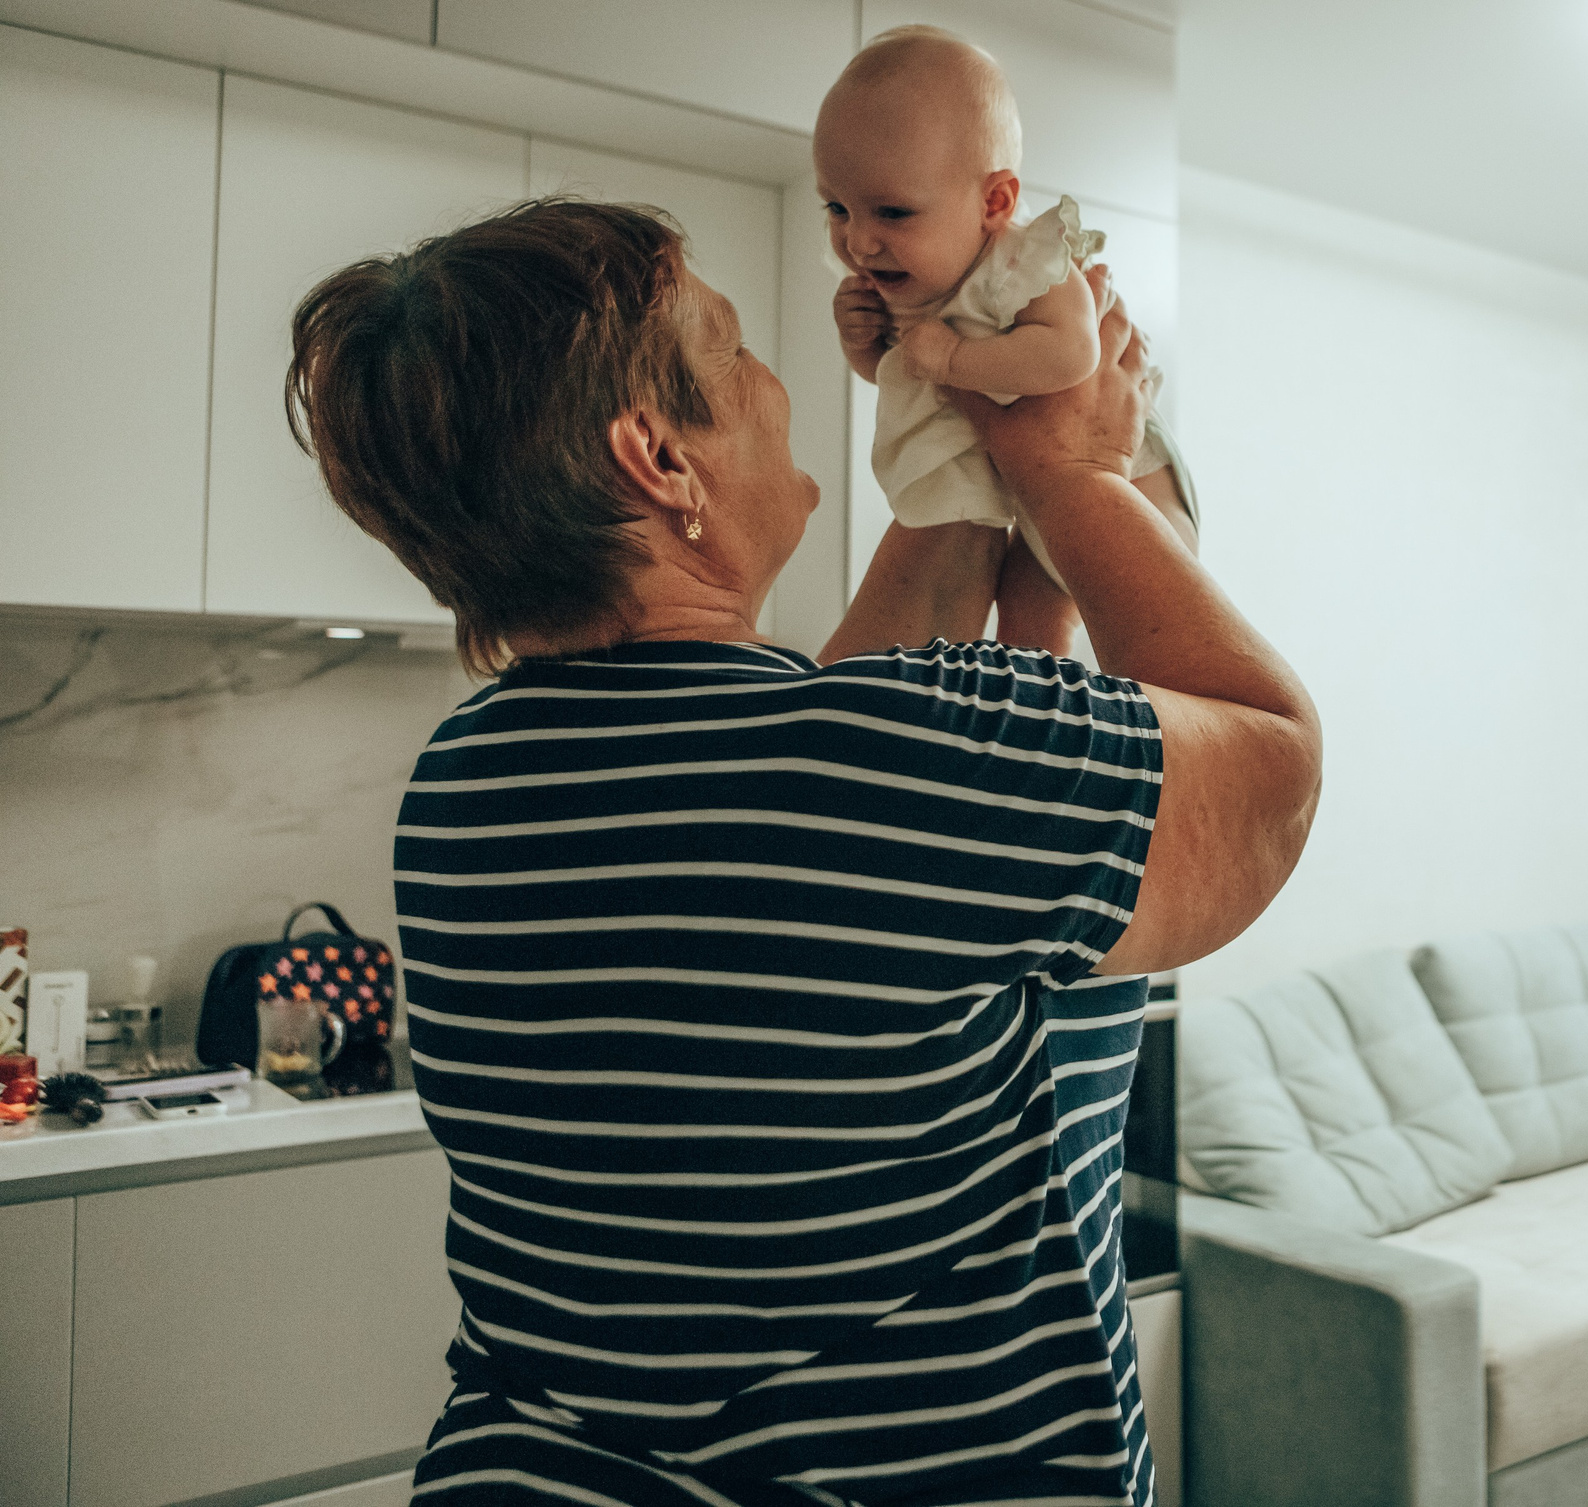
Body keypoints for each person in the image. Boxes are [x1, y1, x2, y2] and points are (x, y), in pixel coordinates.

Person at [285, 196, 1319, 1506]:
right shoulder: (879, 760)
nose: (769, 377)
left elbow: (863, 788)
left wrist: (971, 417)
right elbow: (1269, 769)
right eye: (727, 348)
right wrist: (1074, 477)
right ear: (659, 456)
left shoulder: (468, 786)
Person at [815, 24, 1198, 654]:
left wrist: (960, 358)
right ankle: (1034, 708)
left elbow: (1074, 354)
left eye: (893, 212)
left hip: (1135, 478)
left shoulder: (1026, 266)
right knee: (1026, 624)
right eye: (837, 208)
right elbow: (905, 373)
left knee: (1151, 625)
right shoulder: (909, 281)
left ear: (996, 201)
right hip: (1037, 496)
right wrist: (863, 345)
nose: (857, 241)